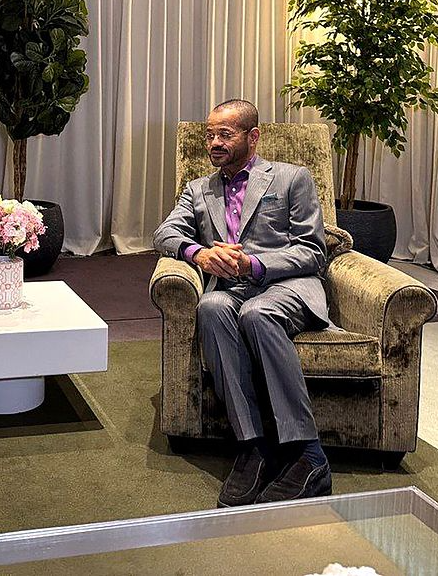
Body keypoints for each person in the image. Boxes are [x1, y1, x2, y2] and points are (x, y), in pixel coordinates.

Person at [153, 99, 333, 508]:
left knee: (257, 313)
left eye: (225, 134)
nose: (214, 142)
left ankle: (308, 453)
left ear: (252, 137)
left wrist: (253, 264)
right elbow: (163, 233)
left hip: (287, 284)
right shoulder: (199, 189)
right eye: (210, 134)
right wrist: (197, 253)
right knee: (211, 307)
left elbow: (313, 252)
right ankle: (253, 446)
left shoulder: (292, 179)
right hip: (231, 290)